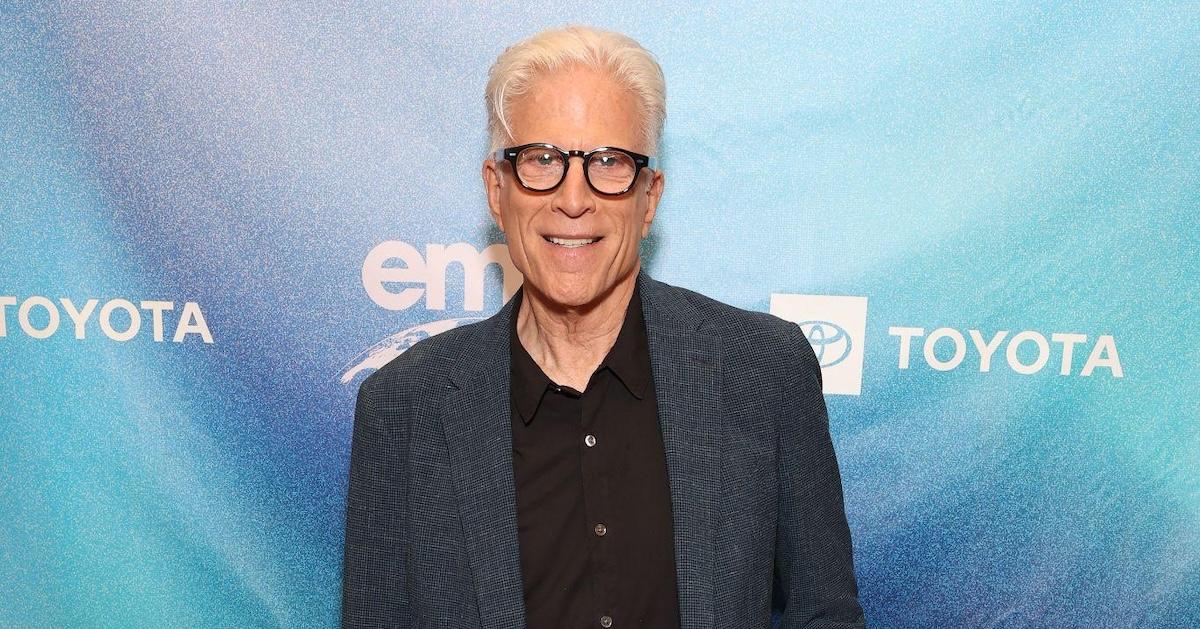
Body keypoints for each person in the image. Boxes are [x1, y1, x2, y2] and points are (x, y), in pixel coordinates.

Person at [342, 25, 865, 629]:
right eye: (542, 160)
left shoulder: (764, 369)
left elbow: (824, 612)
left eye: (609, 163)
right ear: (496, 189)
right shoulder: (404, 406)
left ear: (650, 198)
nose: (573, 199)